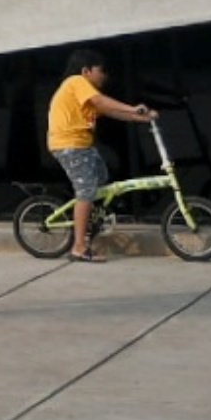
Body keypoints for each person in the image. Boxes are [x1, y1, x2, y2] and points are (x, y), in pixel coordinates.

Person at [47, 48, 155, 261]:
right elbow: (101, 102)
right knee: (86, 191)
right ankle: (78, 247)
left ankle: (91, 222)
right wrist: (133, 108)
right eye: (101, 70)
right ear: (86, 71)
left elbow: (110, 111)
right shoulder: (76, 82)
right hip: (69, 145)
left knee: (103, 181)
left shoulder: (84, 91)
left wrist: (140, 118)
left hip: (83, 145)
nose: (104, 75)